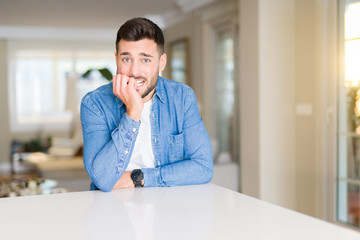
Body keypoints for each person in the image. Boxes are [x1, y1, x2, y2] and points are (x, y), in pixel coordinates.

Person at [80, 17, 213, 192]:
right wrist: (133, 113)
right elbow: (103, 179)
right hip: (111, 211)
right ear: (116, 59)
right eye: (126, 59)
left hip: (168, 209)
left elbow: (203, 168)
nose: (134, 71)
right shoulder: (94, 103)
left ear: (161, 63)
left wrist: (139, 178)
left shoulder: (182, 97)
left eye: (145, 60)